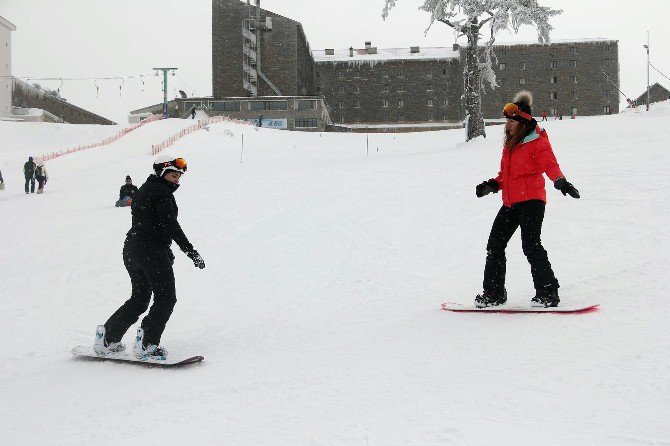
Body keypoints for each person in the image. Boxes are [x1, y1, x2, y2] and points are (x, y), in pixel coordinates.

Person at [93, 155, 206, 360]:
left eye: (179, 176)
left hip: (133, 249)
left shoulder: (145, 188)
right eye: (173, 175)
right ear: (162, 173)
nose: (177, 180)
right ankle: (148, 344)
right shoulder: (162, 193)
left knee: (140, 298)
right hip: (151, 252)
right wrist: (190, 251)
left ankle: (108, 338)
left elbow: (148, 221)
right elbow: (170, 225)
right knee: (166, 298)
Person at [474, 91, 580, 308]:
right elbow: (506, 176)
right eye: (507, 121)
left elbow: (550, 164)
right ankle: (494, 294)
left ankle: (548, 293)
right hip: (511, 202)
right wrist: (493, 184)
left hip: (532, 200)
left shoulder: (537, 142)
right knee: (495, 245)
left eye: (511, 121)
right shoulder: (510, 145)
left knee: (531, 245)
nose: (507, 125)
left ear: (522, 121)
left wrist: (560, 181)